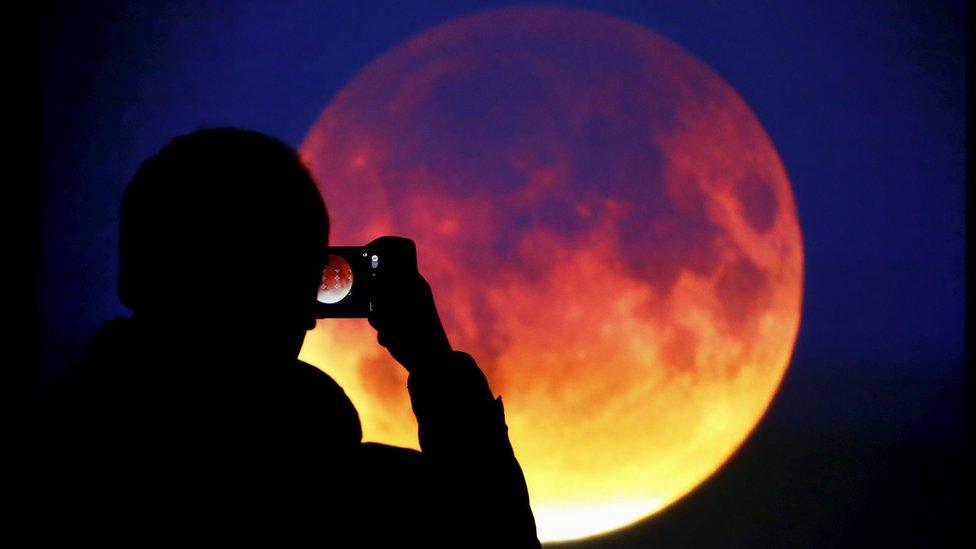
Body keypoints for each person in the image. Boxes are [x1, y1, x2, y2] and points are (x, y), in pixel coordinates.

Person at [42, 128, 540, 546]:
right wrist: (434, 362)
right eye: (311, 273)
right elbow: (498, 542)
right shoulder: (358, 504)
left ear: (133, 274)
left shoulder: (73, 452)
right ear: (301, 303)